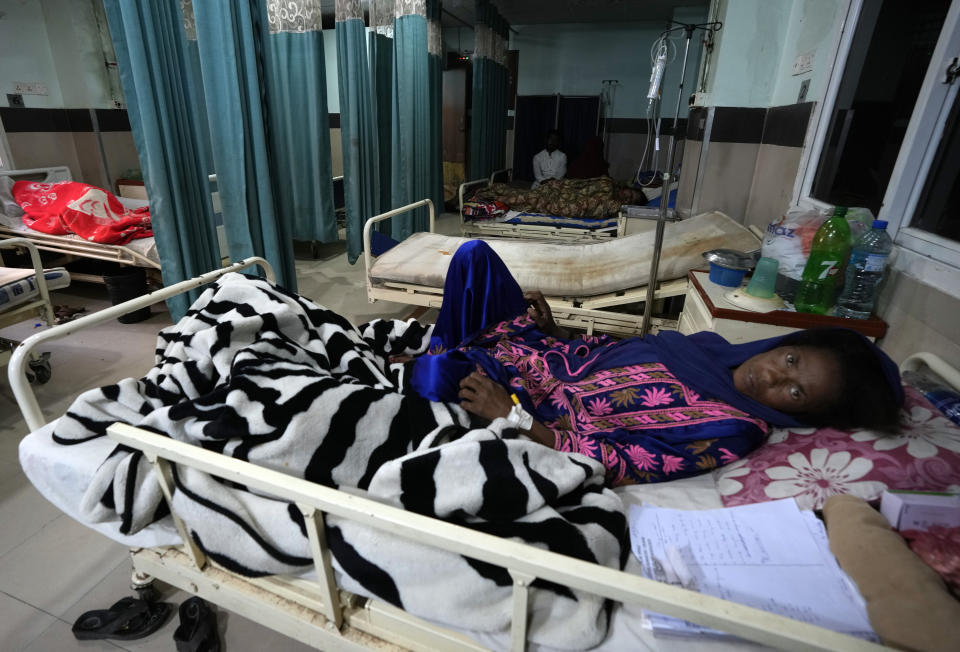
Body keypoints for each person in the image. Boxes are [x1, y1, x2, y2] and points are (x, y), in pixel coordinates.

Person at [409, 241, 904, 486]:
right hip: (547, 354)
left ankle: (450, 353)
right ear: (786, 342)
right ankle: (465, 345)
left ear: (800, 414)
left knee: (437, 374)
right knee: (475, 256)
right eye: (790, 358)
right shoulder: (709, 348)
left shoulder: (731, 427)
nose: (774, 374)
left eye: (794, 392)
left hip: (536, 405)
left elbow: (623, 462)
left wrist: (513, 417)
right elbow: (620, 353)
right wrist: (557, 333)